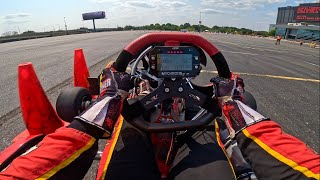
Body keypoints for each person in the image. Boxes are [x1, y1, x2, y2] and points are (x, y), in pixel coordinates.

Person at [0, 62, 319, 180]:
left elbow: (32, 171)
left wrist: (113, 101)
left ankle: (125, 110)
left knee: (129, 131)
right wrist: (229, 105)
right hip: (196, 125)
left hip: (135, 122)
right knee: (208, 135)